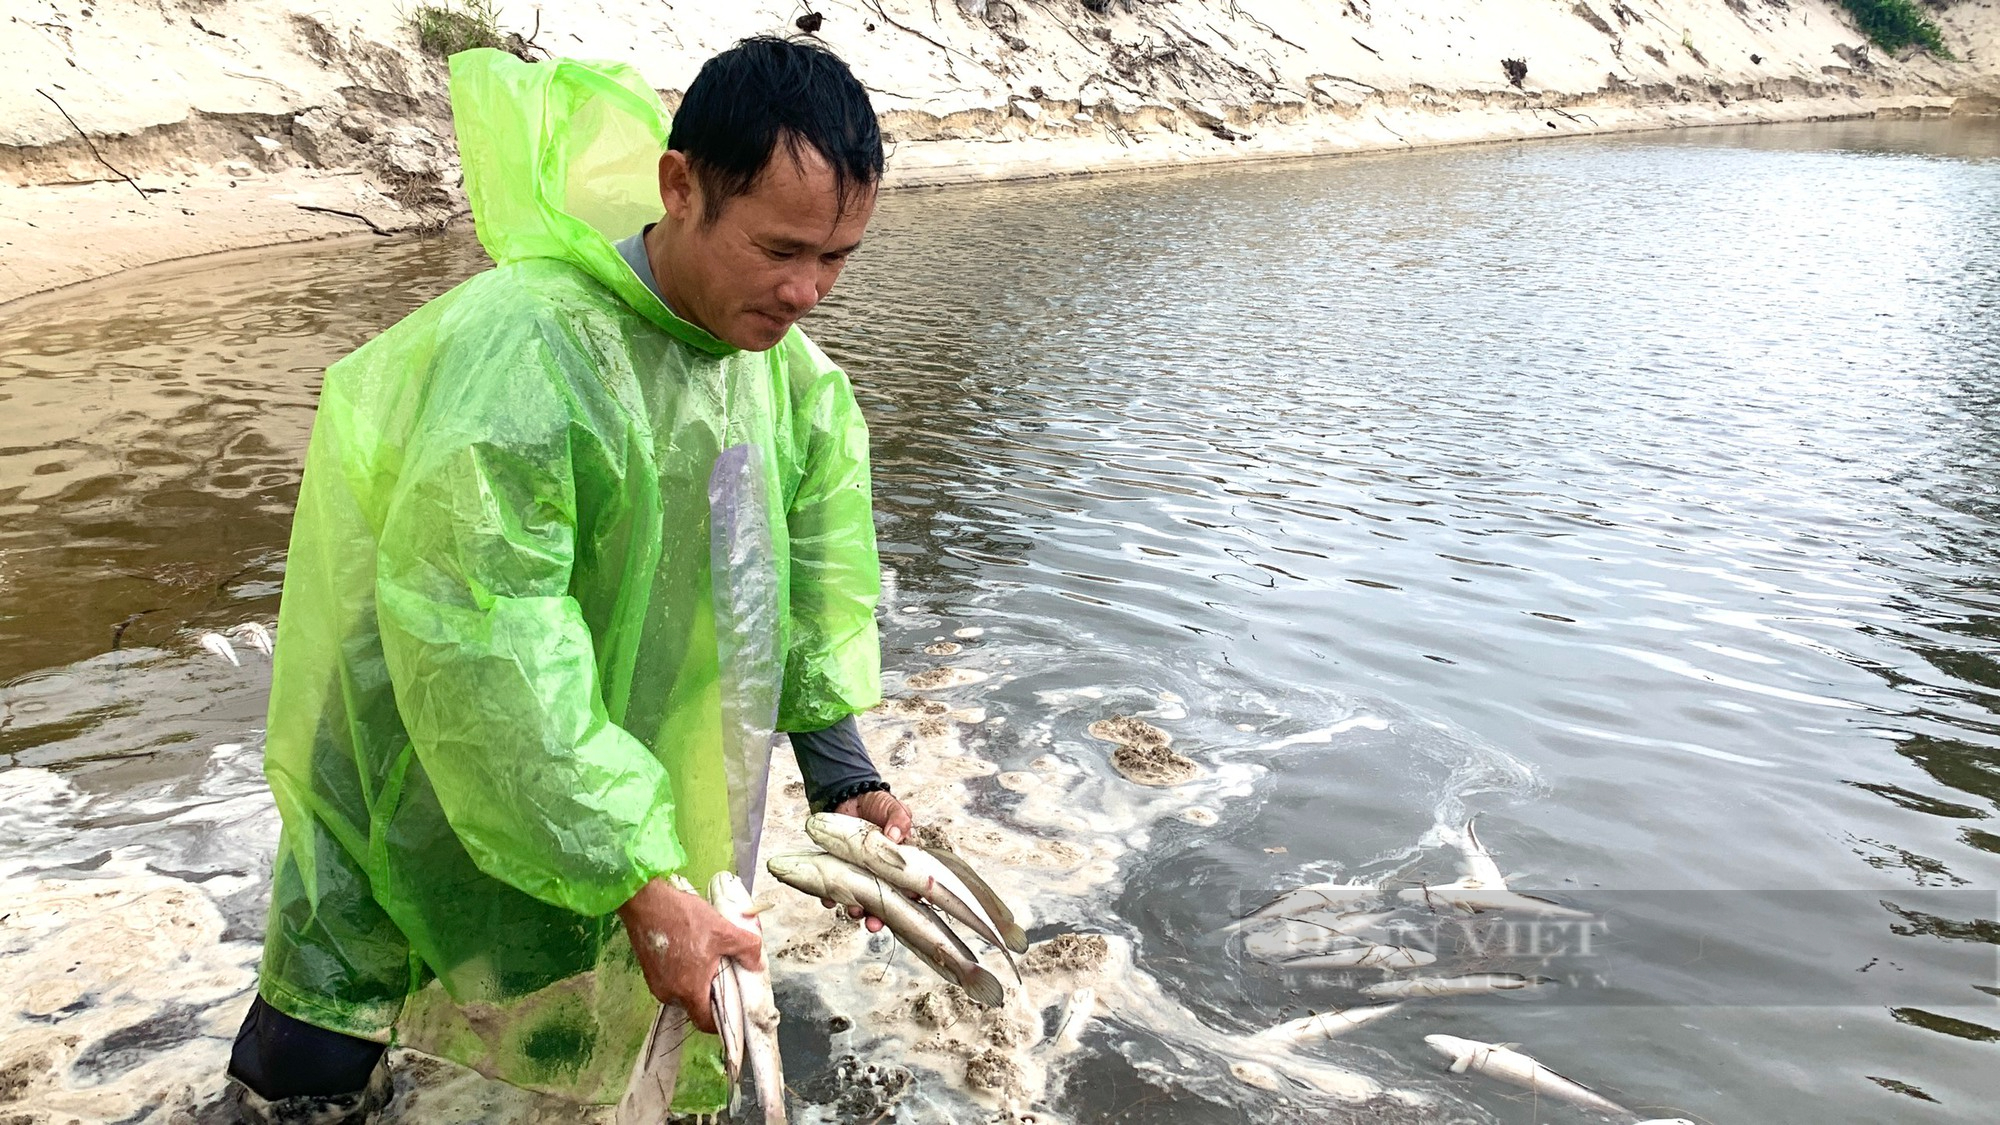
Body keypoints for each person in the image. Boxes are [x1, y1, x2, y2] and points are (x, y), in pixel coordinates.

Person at [226, 37, 909, 1122]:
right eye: (781, 248)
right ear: (679, 187)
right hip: (419, 746)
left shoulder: (791, 384)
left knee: (560, 1016)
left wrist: (841, 772)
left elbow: (802, 582)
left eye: (838, 258)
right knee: (331, 1029)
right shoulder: (527, 353)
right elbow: (487, 636)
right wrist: (635, 871)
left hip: (609, 766)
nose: (807, 292)